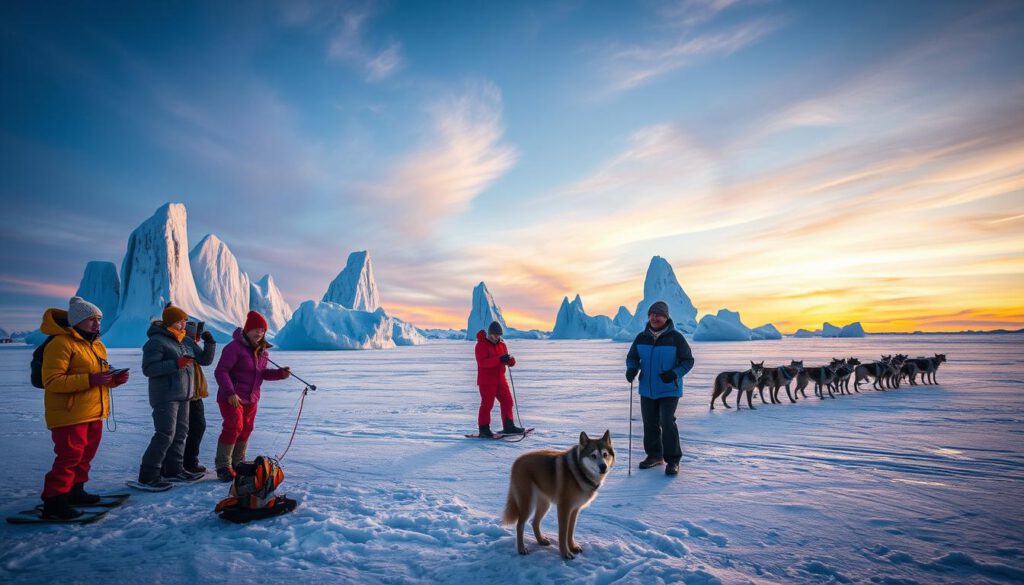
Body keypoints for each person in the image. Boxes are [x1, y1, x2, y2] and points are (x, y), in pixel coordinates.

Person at [39, 296, 129, 519]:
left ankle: (75, 491)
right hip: (69, 413)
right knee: (69, 457)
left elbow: (100, 376)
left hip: (92, 411)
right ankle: (54, 501)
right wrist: (90, 380)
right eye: (91, 319)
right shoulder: (61, 344)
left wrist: (114, 380)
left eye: (99, 319)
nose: (97, 324)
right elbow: (52, 381)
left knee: (85, 456)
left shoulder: (96, 345)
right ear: (77, 321)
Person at [138, 303, 215, 487]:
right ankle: (149, 474)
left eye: (184, 321)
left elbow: (203, 359)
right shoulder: (156, 342)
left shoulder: (184, 341)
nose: (184, 325)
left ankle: (175, 470)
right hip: (166, 395)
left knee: (180, 434)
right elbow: (149, 369)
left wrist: (210, 344)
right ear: (170, 322)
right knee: (165, 434)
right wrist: (176, 364)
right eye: (180, 321)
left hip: (184, 395)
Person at [214, 311, 291, 482]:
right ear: (247, 329)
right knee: (234, 426)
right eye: (256, 329)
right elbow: (221, 371)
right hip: (232, 397)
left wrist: (280, 374)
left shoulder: (262, 351)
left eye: (262, 330)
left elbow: (261, 373)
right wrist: (230, 393)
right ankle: (223, 466)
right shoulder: (234, 348)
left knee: (246, 428)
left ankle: (238, 462)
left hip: (251, 398)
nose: (259, 333)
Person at [625, 301, 694, 476]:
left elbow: (688, 361)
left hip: (669, 388)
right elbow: (632, 357)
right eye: (652, 314)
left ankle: (673, 460)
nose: (654, 318)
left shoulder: (676, 338)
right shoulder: (641, 337)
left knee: (667, 421)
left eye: (659, 315)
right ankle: (654, 456)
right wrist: (632, 368)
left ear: (666, 317)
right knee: (650, 423)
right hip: (647, 389)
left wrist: (675, 373)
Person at [474, 321, 524, 437]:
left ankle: (508, 426)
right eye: (495, 335)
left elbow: (506, 360)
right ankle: (484, 429)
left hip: (501, 379)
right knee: (487, 405)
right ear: (490, 334)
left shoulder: (502, 345)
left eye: (499, 335)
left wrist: (510, 361)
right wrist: (499, 359)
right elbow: (482, 363)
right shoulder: (481, 345)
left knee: (508, 401)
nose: (497, 337)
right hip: (487, 381)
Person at [183, 321, 216, 474]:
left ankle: (186, 462)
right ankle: (185, 463)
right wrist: (209, 342)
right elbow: (205, 360)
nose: (198, 338)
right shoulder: (185, 342)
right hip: (186, 393)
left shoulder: (188, 343)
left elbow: (204, 360)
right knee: (187, 429)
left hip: (193, 393)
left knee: (193, 428)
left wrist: (209, 343)